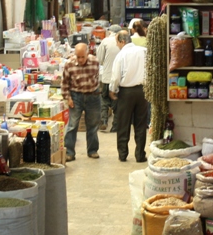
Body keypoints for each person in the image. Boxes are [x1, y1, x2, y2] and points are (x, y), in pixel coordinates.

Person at [110, 31, 148, 162]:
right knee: (141, 124)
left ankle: (122, 154)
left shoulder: (121, 55)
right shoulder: (144, 51)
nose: (117, 45)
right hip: (143, 91)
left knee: (123, 123)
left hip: (126, 93)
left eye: (117, 42)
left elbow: (115, 77)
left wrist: (112, 90)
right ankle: (140, 155)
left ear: (122, 41)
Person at [61, 43, 101, 162]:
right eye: (78, 57)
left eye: (83, 57)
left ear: (87, 54)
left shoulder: (95, 62)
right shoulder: (69, 64)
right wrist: (68, 98)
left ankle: (92, 150)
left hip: (93, 96)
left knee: (93, 125)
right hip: (76, 96)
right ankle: (69, 152)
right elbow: (64, 84)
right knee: (72, 125)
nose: (80, 59)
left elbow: (97, 78)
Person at [96, 24, 122, 132]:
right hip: (119, 79)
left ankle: (104, 121)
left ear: (110, 32)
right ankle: (115, 126)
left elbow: (99, 59)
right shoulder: (124, 42)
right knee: (117, 103)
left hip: (106, 77)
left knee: (104, 100)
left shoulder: (105, 41)